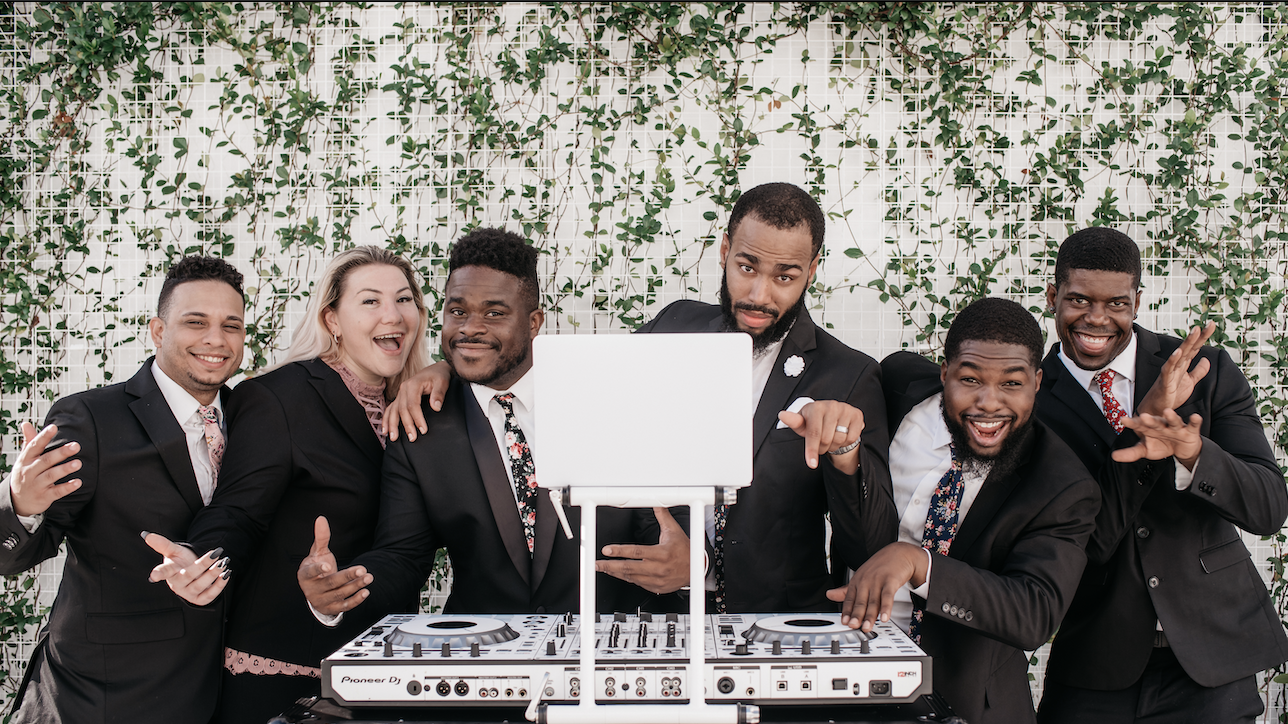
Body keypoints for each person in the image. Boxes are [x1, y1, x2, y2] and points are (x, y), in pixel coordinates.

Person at [384, 183, 897, 613]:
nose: (760, 294)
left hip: (773, 629)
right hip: (656, 623)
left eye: (785, 276)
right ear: (724, 251)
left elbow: (871, 546)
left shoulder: (848, 376)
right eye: (747, 266)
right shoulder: (674, 325)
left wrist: (845, 454)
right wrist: (449, 367)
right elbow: (590, 386)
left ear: (812, 269)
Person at [300, 228, 686, 621]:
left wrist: (689, 564)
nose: (470, 328)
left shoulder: (609, 401)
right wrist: (342, 590)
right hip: (486, 646)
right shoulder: (419, 425)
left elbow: (663, 526)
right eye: (457, 311)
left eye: (494, 313)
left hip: (610, 644)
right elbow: (402, 556)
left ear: (533, 322)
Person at [146, 246, 430, 724]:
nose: (393, 315)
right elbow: (239, 511)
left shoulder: (418, 406)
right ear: (332, 319)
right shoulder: (279, 397)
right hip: (282, 674)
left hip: (382, 670)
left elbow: (407, 543)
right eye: (370, 301)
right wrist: (201, 557)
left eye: (404, 300)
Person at [1034, 227, 1288, 724]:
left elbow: (1268, 509)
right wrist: (1144, 434)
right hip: (1095, 662)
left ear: (1137, 302)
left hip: (1213, 662)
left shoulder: (1204, 369)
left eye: (1116, 304)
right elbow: (1089, 540)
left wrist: (1195, 454)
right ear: (1052, 297)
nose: (1096, 319)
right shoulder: (1031, 401)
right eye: (1079, 300)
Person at [829, 297, 1100, 724]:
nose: (989, 402)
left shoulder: (1061, 485)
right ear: (945, 373)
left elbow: (1034, 612)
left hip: (967, 703)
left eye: (1012, 383)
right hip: (844, 681)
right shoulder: (896, 387)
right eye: (970, 379)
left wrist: (920, 564)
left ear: (1037, 382)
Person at [0, 257, 245, 724]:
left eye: (230, 325)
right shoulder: (90, 420)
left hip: (220, 694)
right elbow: (13, 556)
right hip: (98, 698)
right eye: (196, 322)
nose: (216, 339)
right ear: (158, 331)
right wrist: (21, 504)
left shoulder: (254, 417)